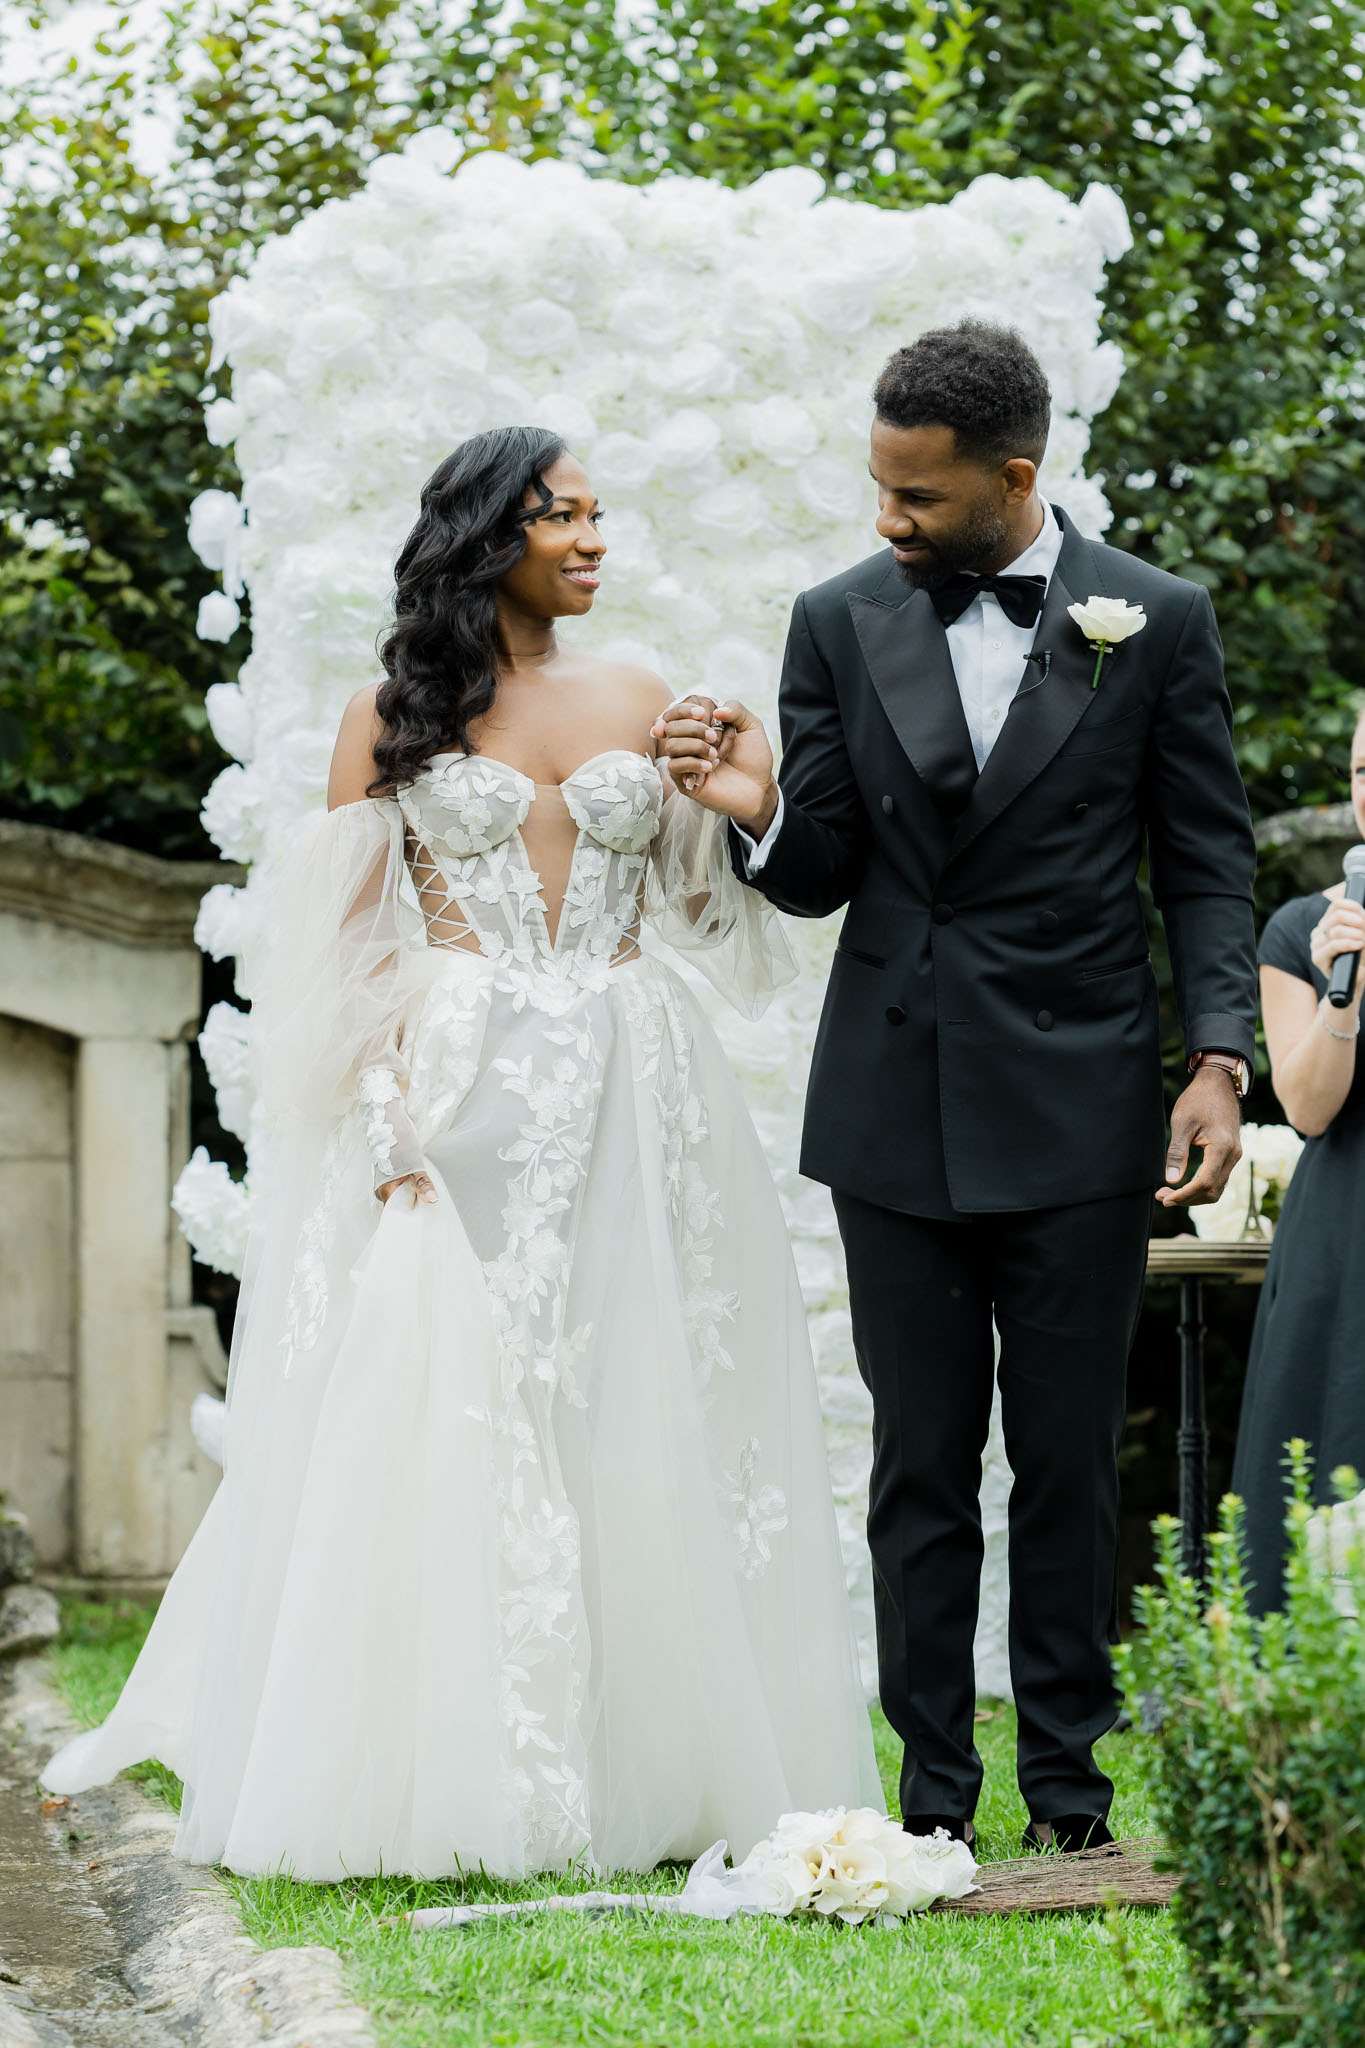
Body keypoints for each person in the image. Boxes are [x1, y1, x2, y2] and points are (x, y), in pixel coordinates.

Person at [41, 426, 881, 1881]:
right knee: (451, 1410)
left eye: (600, 515)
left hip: (638, 1089)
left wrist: (743, 800)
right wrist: (389, 1133)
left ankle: (647, 1768)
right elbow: (348, 949)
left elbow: (709, 920)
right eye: (564, 517)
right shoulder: (392, 714)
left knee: (631, 1405)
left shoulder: (641, 692)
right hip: (458, 1080)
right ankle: (448, 1765)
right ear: (492, 533)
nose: (595, 540)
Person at [654, 319, 1259, 1853]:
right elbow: (821, 872)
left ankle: (1069, 1797)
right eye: (877, 488)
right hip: (895, 1105)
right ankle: (929, 1804)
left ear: (1014, 475)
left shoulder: (1158, 619)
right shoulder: (839, 618)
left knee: (1062, 1465)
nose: (887, 522)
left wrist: (1217, 1058)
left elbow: (1203, 862)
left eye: (917, 499)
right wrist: (756, 814)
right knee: (920, 1466)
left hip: (1081, 1105)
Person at [1231, 704, 1365, 1611]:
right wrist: (1340, 1001)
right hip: (1344, 1228)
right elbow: (1307, 1106)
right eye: (1362, 772)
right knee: (1324, 1458)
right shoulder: (1301, 931)